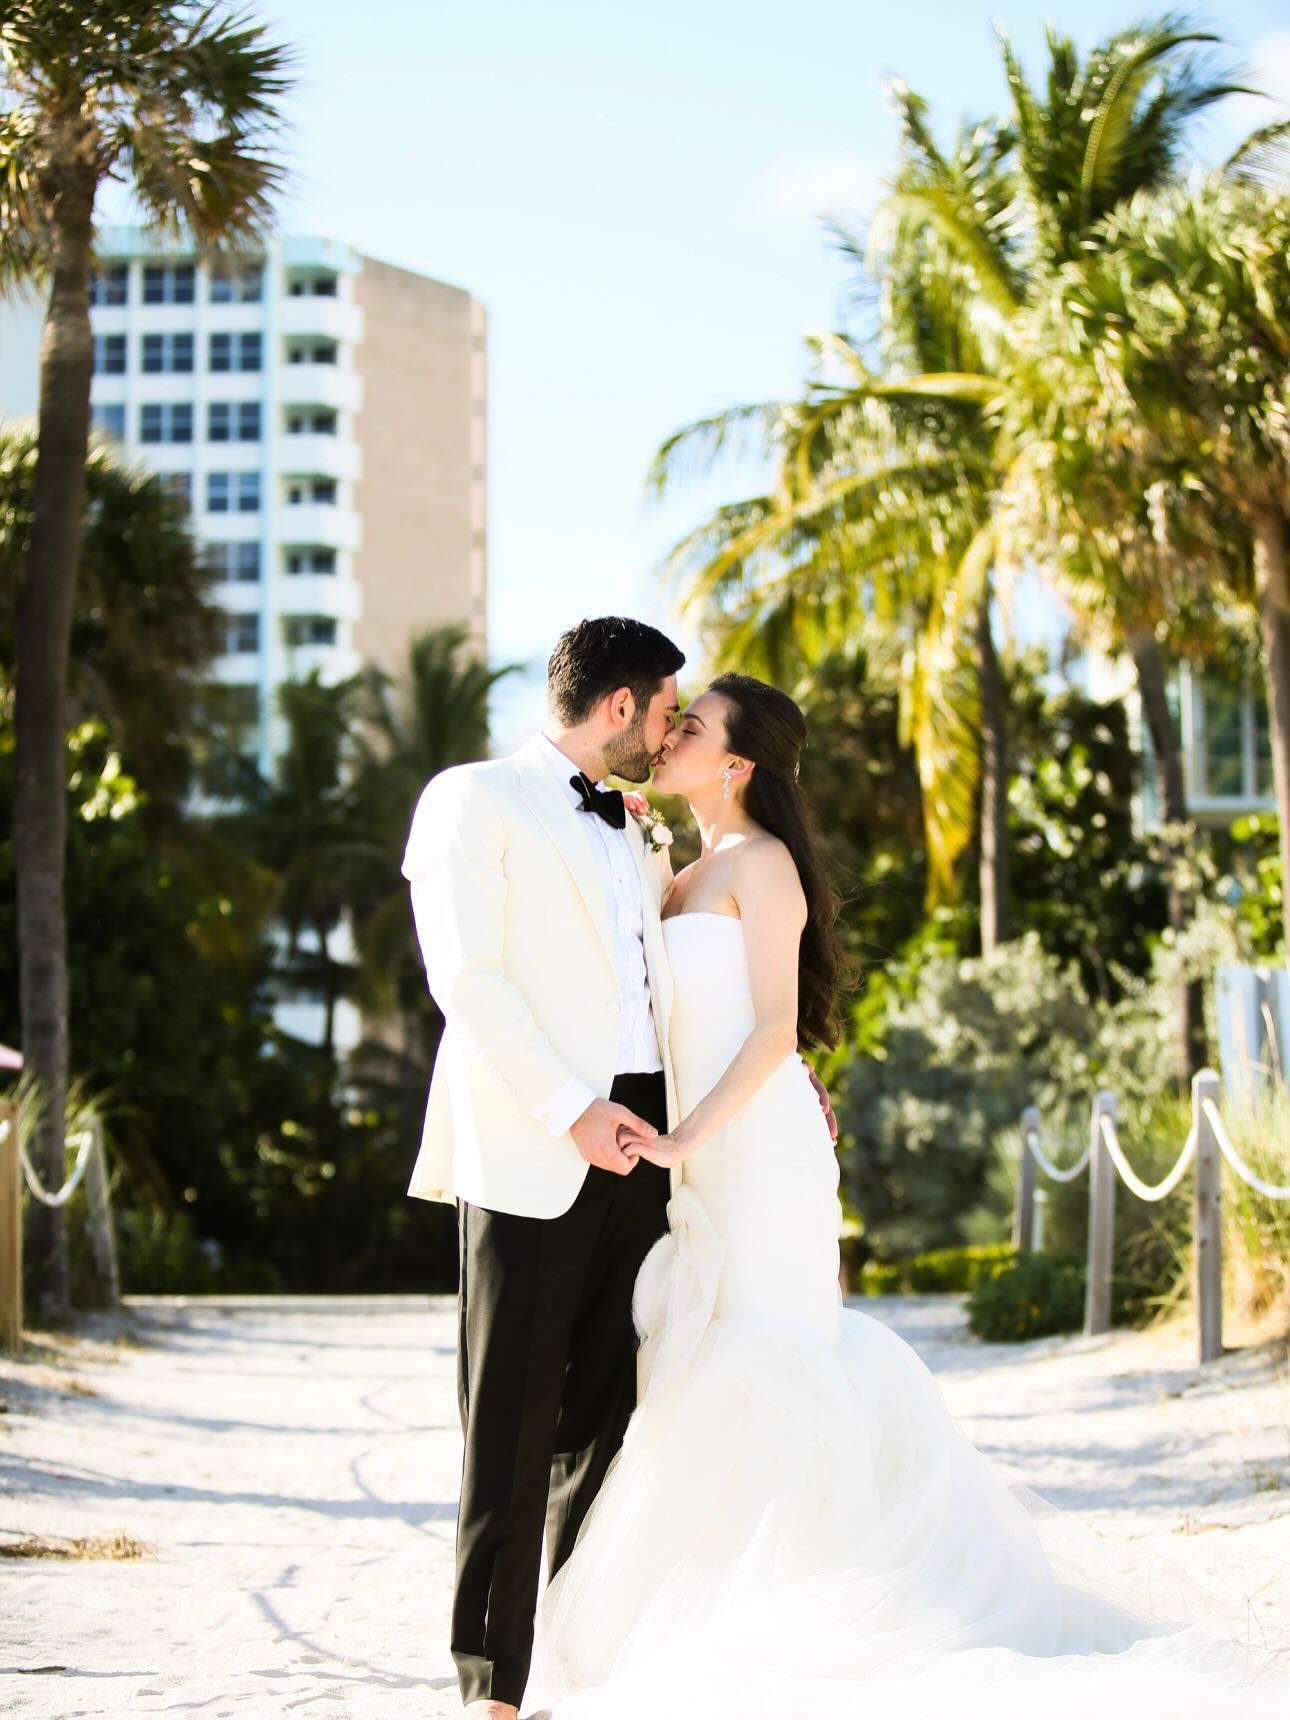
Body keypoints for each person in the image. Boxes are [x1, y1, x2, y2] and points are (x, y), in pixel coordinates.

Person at [534, 671, 1288, 1720]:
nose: (671, 736)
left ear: (738, 761)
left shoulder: (764, 868)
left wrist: (697, 1131)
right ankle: (725, 1600)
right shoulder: (681, 869)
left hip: (750, 1150)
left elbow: (769, 1028)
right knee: (700, 1362)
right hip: (697, 1150)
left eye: (691, 726)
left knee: (770, 1351)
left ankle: (811, 1600)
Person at [403, 620, 836, 1720]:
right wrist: (571, 1112)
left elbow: (709, 992)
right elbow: (471, 981)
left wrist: (778, 1085)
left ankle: (582, 1679)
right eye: (664, 709)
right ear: (619, 706)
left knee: (610, 1420)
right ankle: (493, 1693)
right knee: (509, 1417)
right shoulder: (473, 800)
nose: (668, 729)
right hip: (541, 1139)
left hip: (654, 1145)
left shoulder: (646, 838)